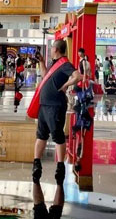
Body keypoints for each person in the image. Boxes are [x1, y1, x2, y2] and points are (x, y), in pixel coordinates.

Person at [32, 39, 83, 184]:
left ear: (56, 49)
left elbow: (78, 76)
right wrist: (42, 62)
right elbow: (45, 77)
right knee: (41, 135)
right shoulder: (53, 64)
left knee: (58, 136)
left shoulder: (65, 64)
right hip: (44, 105)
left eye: (52, 47)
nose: (50, 49)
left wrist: (65, 85)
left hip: (55, 106)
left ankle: (60, 167)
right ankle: (36, 164)